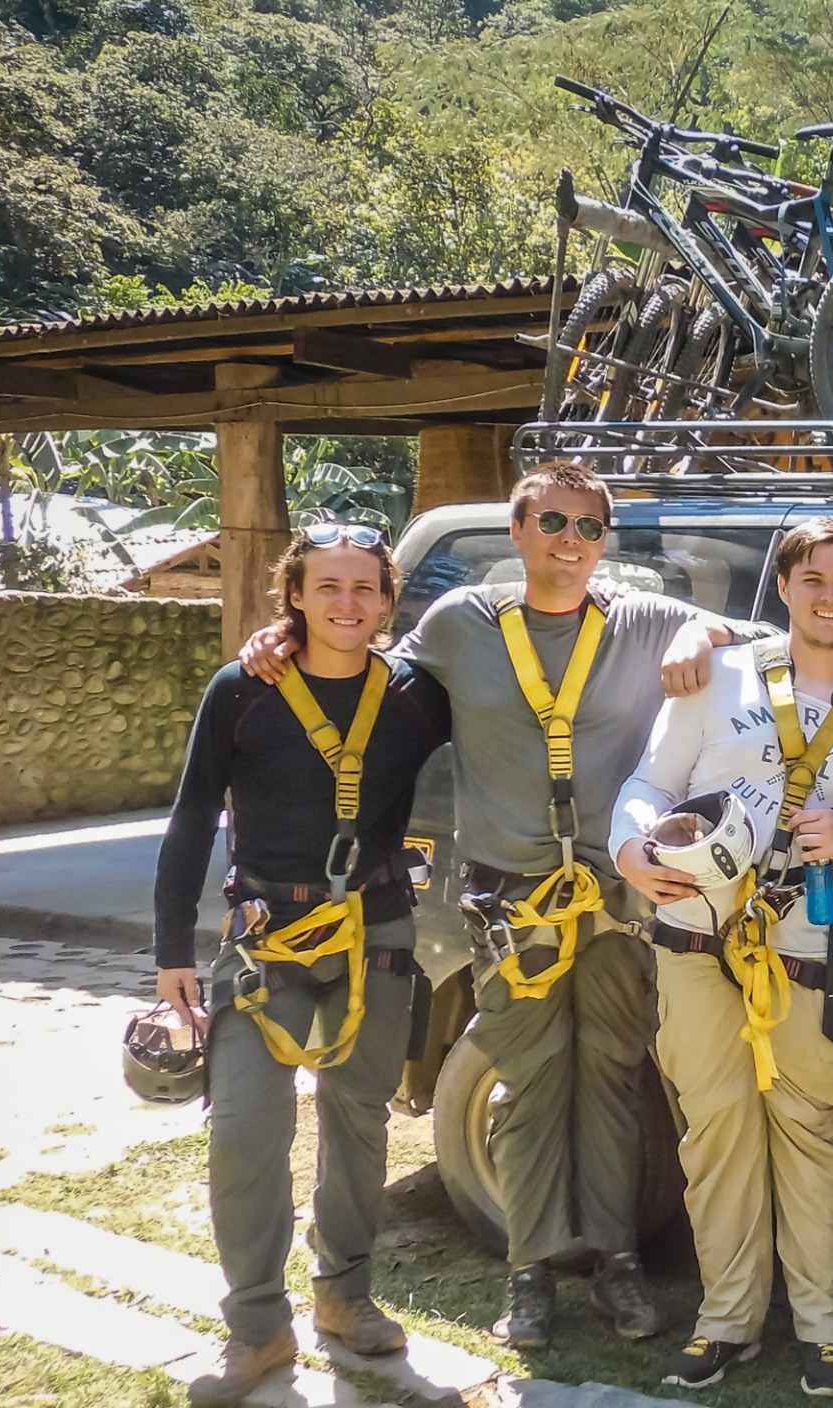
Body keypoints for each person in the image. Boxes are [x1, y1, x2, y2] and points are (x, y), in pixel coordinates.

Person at [241, 459, 760, 1349]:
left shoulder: (642, 621)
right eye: (553, 523)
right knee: (525, 1083)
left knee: (613, 1081)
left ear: (607, 543)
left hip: (616, 897)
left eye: (590, 528)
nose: (571, 541)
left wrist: (703, 632)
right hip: (512, 903)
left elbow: (768, 637)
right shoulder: (461, 623)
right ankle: (529, 1272)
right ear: (517, 532)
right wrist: (278, 639)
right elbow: (362, 673)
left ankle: (617, 1262)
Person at [612, 518, 833, 1397]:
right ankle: (727, 1321)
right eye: (812, 579)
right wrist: (632, 851)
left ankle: (827, 1328)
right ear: (783, 587)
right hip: (697, 940)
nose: (830, 596)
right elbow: (648, 785)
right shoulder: (713, 676)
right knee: (714, 1133)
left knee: (814, 1136)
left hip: (807, 952)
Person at [155, 525, 450, 1405]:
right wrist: (171, 951)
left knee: (358, 1127)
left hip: (376, 936)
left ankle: (344, 1300)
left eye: (365, 588)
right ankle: (256, 1328)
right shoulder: (242, 688)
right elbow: (191, 814)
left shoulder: (416, 698)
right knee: (246, 1130)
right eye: (328, 587)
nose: (347, 604)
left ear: (390, 601)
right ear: (294, 595)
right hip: (263, 942)